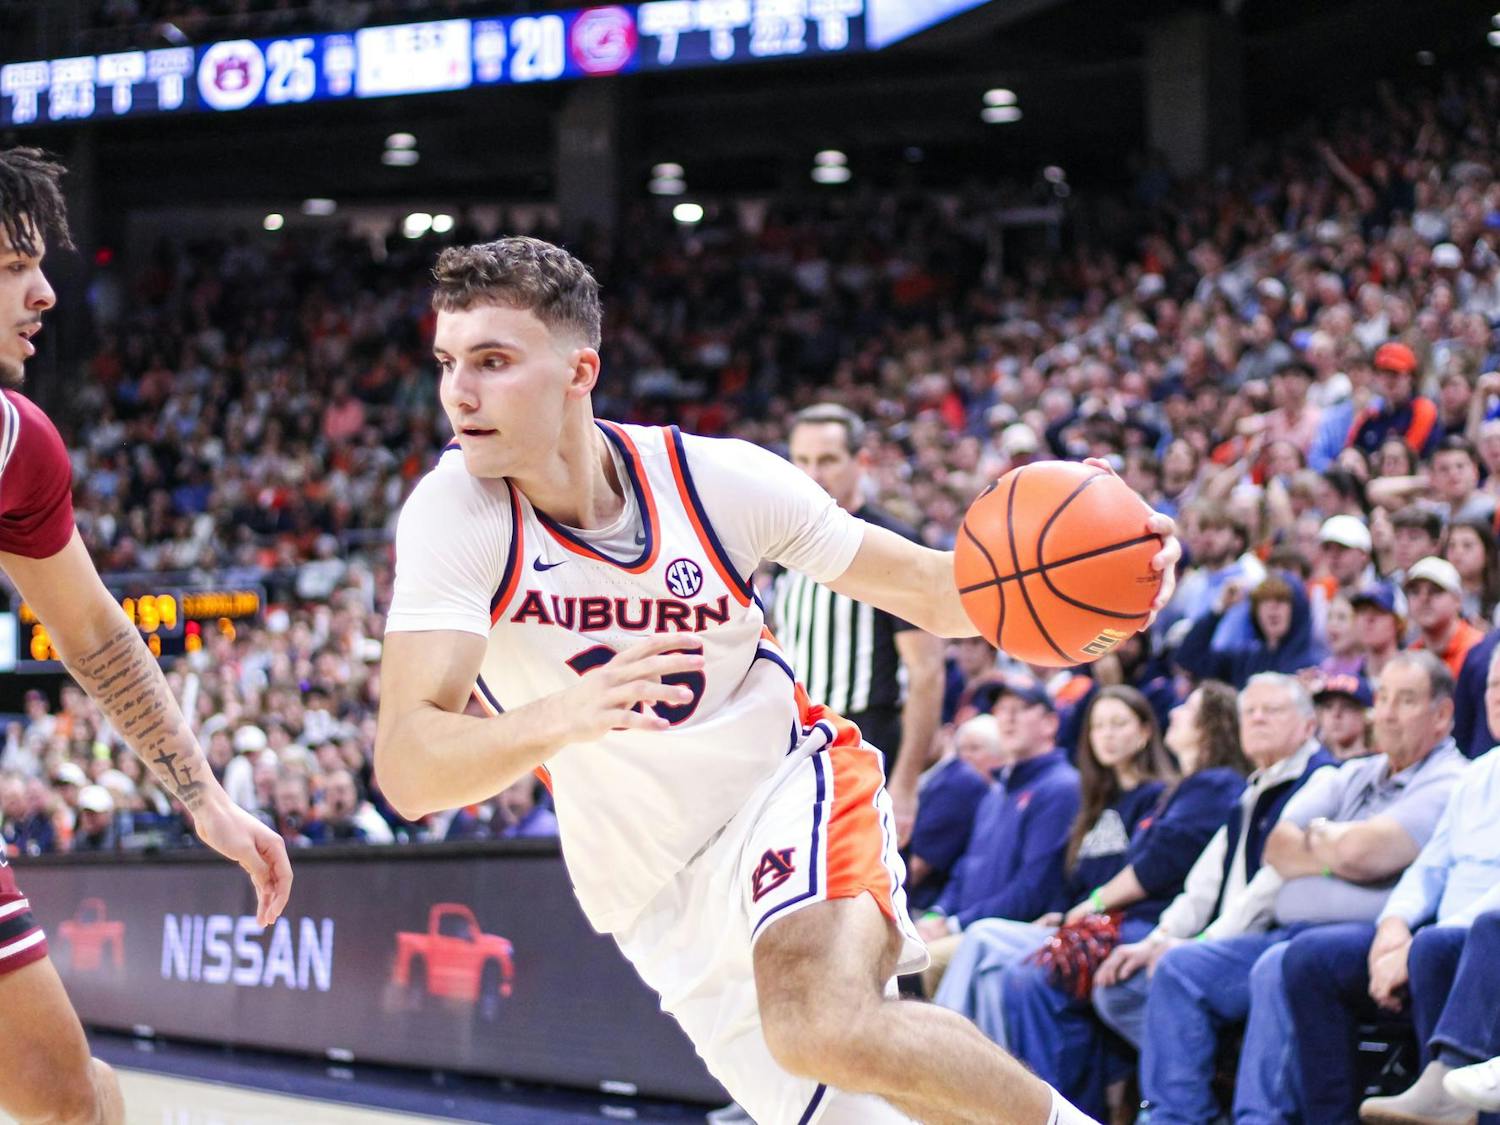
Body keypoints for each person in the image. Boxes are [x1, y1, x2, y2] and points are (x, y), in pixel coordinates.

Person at [374, 236, 1182, 1125]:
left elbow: (937, 590)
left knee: (820, 1023)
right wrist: (564, 714)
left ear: (579, 371)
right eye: (449, 362)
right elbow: (410, 771)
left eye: (492, 361)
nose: (459, 392)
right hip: (652, 888)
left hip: (784, 786)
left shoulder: (717, 482)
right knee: (872, 1110)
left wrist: (1111, 566)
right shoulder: (457, 514)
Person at [0, 146, 292, 1125]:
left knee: (73, 1104)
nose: (43, 294)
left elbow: (96, 634)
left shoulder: (19, 443)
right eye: (10, 270)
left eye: (38, 265)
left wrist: (202, 795)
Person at [771, 403, 946, 842]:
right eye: (803, 460)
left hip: (866, 743)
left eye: (828, 460)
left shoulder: (890, 543)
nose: (813, 473)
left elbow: (926, 674)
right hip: (796, 749)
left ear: (861, 462)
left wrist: (905, 785)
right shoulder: (782, 546)